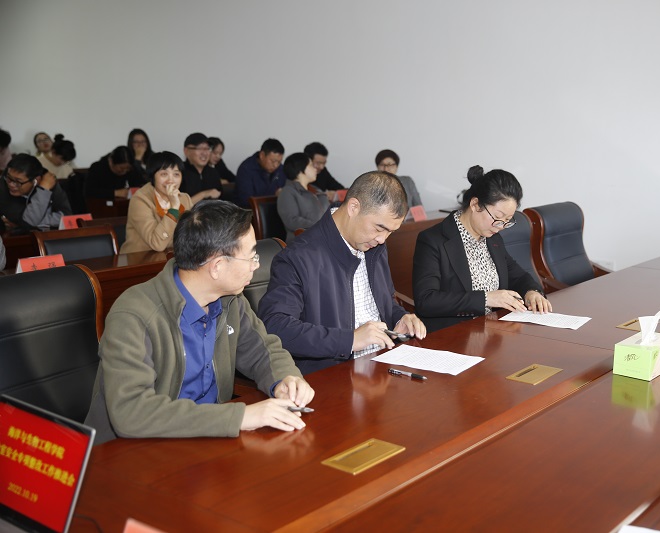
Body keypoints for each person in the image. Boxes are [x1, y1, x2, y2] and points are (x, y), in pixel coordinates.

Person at [84, 199, 315, 444]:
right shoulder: (134, 314)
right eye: (251, 257)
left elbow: (263, 350)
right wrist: (239, 417)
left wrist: (285, 379)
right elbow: (131, 412)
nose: (256, 266)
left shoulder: (230, 300)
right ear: (217, 266)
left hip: (207, 439)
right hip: (132, 449)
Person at [259, 171, 427, 374]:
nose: (382, 239)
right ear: (354, 207)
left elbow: (385, 302)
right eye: (379, 228)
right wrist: (350, 340)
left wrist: (401, 318)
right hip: (333, 374)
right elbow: (276, 326)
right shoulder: (299, 256)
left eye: (390, 232)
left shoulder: (375, 247)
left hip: (381, 365)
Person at [413, 165, 552, 332]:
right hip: (453, 335)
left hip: (493, 332)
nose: (501, 226)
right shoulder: (433, 240)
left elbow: (517, 275)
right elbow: (426, 301)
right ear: (475, 204)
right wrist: (486, 299)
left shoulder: (492, 239)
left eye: (507, 220)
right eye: (498, 217)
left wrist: (532, 292)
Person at [121, 151, 193, 254]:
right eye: (164, 174)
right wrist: (174, 207)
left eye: (176, 174)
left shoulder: (185, 198)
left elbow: (194, 235)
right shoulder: (140, 200)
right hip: (139, 259)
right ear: (152, 176)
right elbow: (157, 244)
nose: (171, 180)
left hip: (173, 257)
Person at [0, 154, 72, 231]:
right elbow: (28, 221)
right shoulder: (3, 186)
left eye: (18, 182)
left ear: (36, 180)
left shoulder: (48, 182)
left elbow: (66, 216)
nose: (11, 184)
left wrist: (43, 190)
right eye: (9, 178)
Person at [277, 153, 330, 244]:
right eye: (311, 165)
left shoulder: (317, 190)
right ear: (300, 170)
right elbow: (292, 221)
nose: (315, 168)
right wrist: (322, 226)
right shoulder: (287, 192)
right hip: (302, 243)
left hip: (325, 239)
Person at [235, 138, 286, 206]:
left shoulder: (281, 169)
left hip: (273, 209)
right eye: (273, 161)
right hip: (248, 211)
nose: (275, 165)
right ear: (262, 155)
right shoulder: (246, 169)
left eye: (279, 162)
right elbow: (246, 201)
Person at [180, 132, 223, 204]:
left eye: (207, 148)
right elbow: (178, 206)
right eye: (199, 148)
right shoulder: (179, 173)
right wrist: (204, 194)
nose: (204, 153)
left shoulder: (213, 173)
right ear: (186, 151)